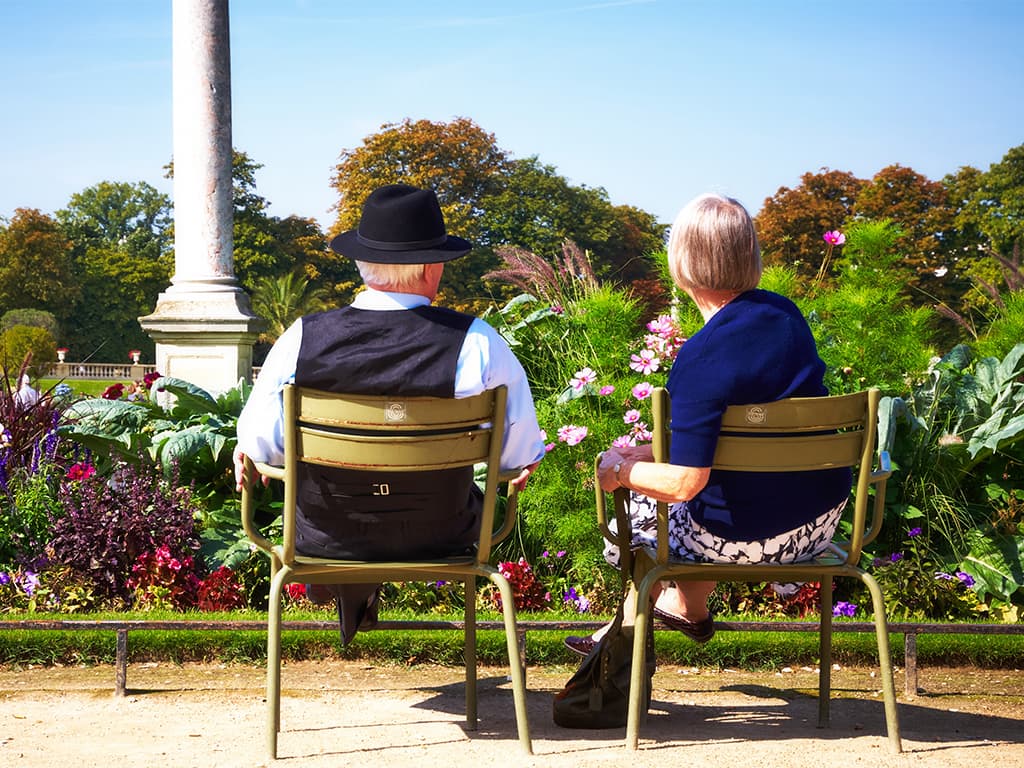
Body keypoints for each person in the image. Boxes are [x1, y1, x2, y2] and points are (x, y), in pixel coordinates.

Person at [234, 183, 546, 643]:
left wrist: (249, 453)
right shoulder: (479, 344)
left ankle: (351, 586)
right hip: (443, 534)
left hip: (328, 537)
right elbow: (518, 457)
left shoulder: (301, 340)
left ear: (362, 264)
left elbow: (263, 450)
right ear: (433, 268)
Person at [563, 193, 851, 656]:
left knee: (637, 510)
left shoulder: (701, 354)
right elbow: (741, 437)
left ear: (682, 261)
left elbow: (684, 483)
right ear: (749, 253)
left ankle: (622, 633)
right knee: (708, 500)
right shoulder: (786, 317)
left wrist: (617, 470)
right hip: (819, 520)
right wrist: (650, 452)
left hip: (751, 537)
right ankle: (683, 610)